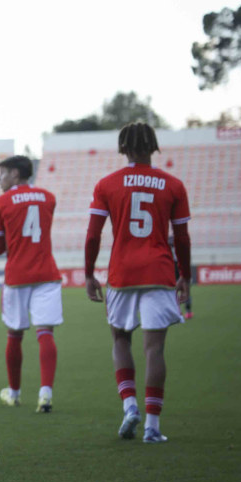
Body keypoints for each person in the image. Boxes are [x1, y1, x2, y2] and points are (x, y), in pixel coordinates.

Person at [85, 122, 190, 443]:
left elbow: (94, 234)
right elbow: (182, 238)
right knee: (155, 349)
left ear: (123, 148)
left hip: (122, 272)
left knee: (120, 340)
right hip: (159, 272)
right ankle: (152, 427)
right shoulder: (173, 184)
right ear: (153, 146)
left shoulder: (107, 184)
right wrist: (184, 273)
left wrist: (89, 273)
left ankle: (130, 406)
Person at [0, 155, 62, 412]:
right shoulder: (48, 197)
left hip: (18, 275)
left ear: (16, 175)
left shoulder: (1, 203)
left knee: (14, 334)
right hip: (47, 273)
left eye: (3, 174)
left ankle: (15, 393)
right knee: (45, 334)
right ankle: (45, 394)